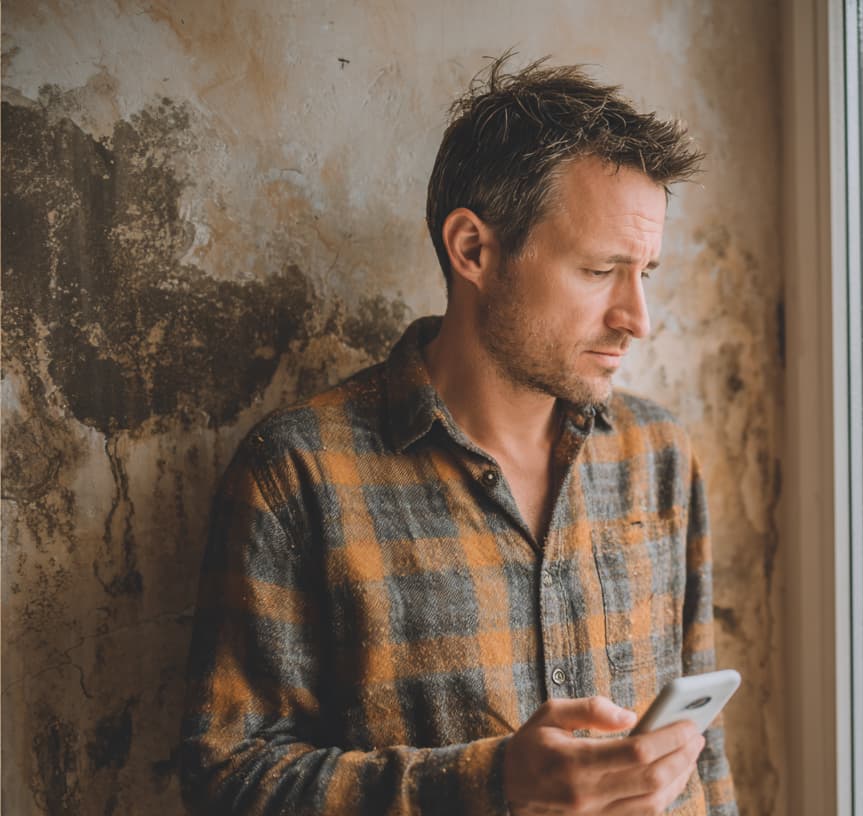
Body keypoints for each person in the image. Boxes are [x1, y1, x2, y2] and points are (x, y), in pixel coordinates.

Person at [178, 55, 737, 815]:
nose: (636, 318)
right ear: (473, 249)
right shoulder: (298, 476)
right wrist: (491, 783)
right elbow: (229, 779)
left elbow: (703, 759)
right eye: (601, 270)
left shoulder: (658, 456)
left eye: (646, 272)